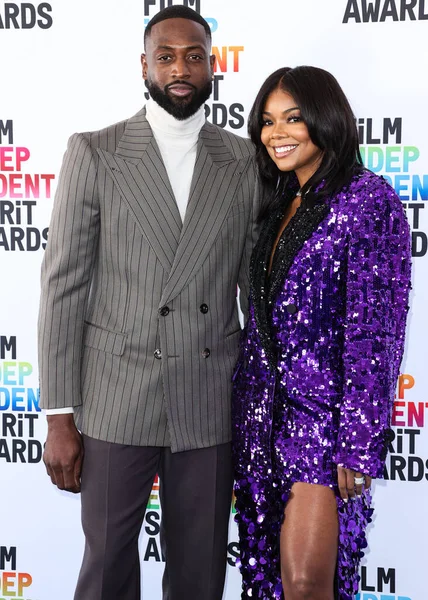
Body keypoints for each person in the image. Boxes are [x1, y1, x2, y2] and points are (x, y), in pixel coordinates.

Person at [38, 6, 262, 600]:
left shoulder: (242, 162)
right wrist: (59, 415)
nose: (180, 69)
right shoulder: (95, 152)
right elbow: (63, 287)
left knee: (199, 574)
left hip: (209, 399)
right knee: (107, 568)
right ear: (145, 66)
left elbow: (253, 289)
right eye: (166, 57)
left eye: (194, 56)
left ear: (213, 66)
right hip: (117, 398)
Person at [232, 66, 411, 600]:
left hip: (323, 425)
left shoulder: (368, 201)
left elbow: (375, 336)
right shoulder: (276, 200)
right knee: (268, 580)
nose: (276, 133)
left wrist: (358, 445)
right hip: (258, 419)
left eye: (292, 118)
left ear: (325, 120)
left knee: (309, 583)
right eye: (266, 122)